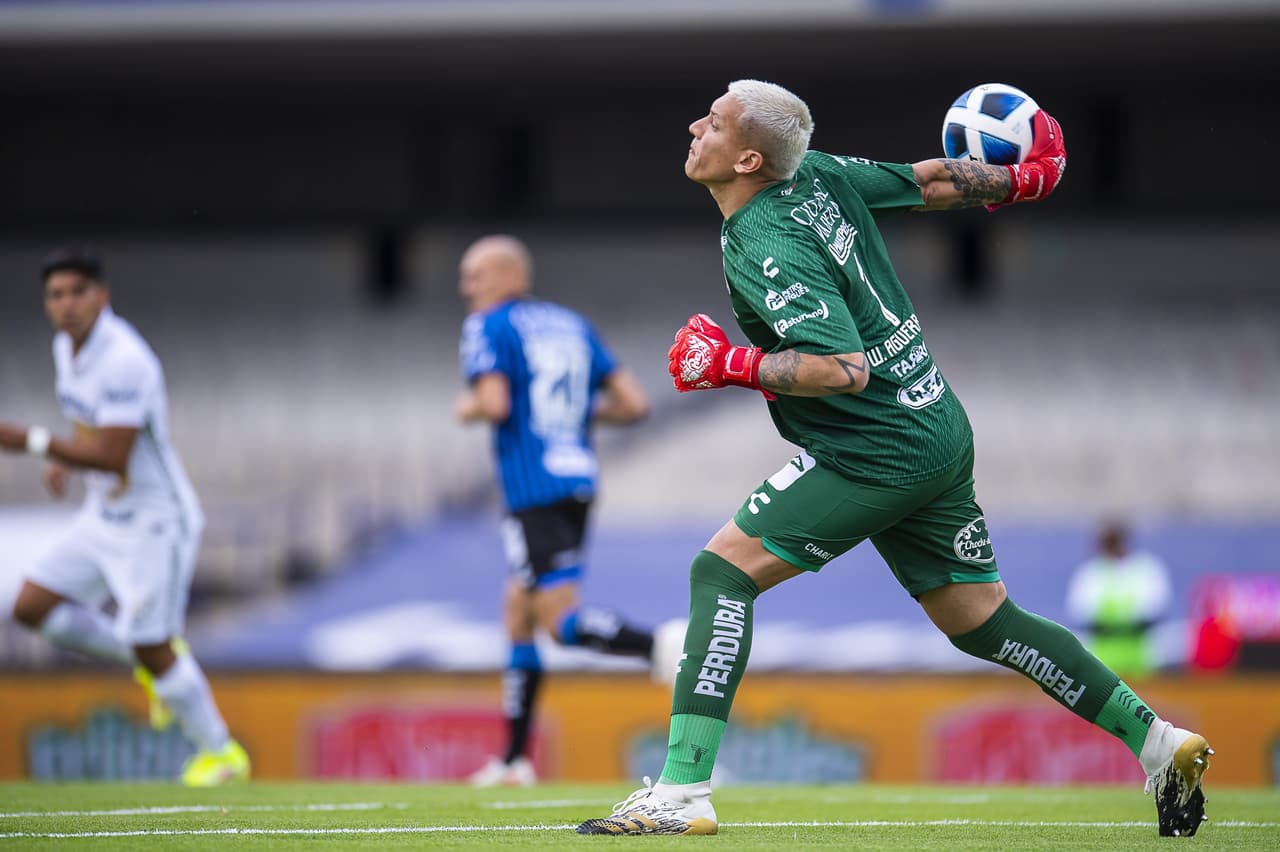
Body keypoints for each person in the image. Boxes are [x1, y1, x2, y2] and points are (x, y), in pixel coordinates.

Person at [574, 80, 1211, 838]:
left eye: (710, 122)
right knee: (979, 619)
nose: (693, 127)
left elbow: (842, 368)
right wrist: (1021, 177)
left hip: (872, 450)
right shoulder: (818, 173)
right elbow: (931, 179)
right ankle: (1160, 743)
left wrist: (727, 364)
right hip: (935, 425)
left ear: (747, 157)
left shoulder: (767, 238)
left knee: (721, 573)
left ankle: (680, 794)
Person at [0, 247, 249, 787]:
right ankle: (147, 657)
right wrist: (66, 461)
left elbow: (114, 454)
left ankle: (222, 752)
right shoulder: (67, 348)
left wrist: (33, 443)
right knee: (30, 606)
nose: (65, 304)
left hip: (155, 520)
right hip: (104, 513)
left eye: (76, 292)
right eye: (55, 294)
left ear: (101, 296)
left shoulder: (125, 359)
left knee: (153, 645)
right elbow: (89, 425)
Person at [455, 234, 684, 787]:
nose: (467, 288)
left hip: (532, 490)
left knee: (559, 622)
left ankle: (660, 645)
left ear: (509, 275)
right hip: (577, 478)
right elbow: (634, 403)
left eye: (475, 275)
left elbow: (493, 404)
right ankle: (512, 761)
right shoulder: (571, 325)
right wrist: (575, 418)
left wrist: (465, 407)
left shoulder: (488, 325)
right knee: (519, 608)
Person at [1066, 521, 1173, 678]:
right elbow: (1080, 613)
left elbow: (1156, 609)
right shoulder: (1091, 572)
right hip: (1103, 661)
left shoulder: (1146, 567)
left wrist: (1116, 624)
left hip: (1142, 661)